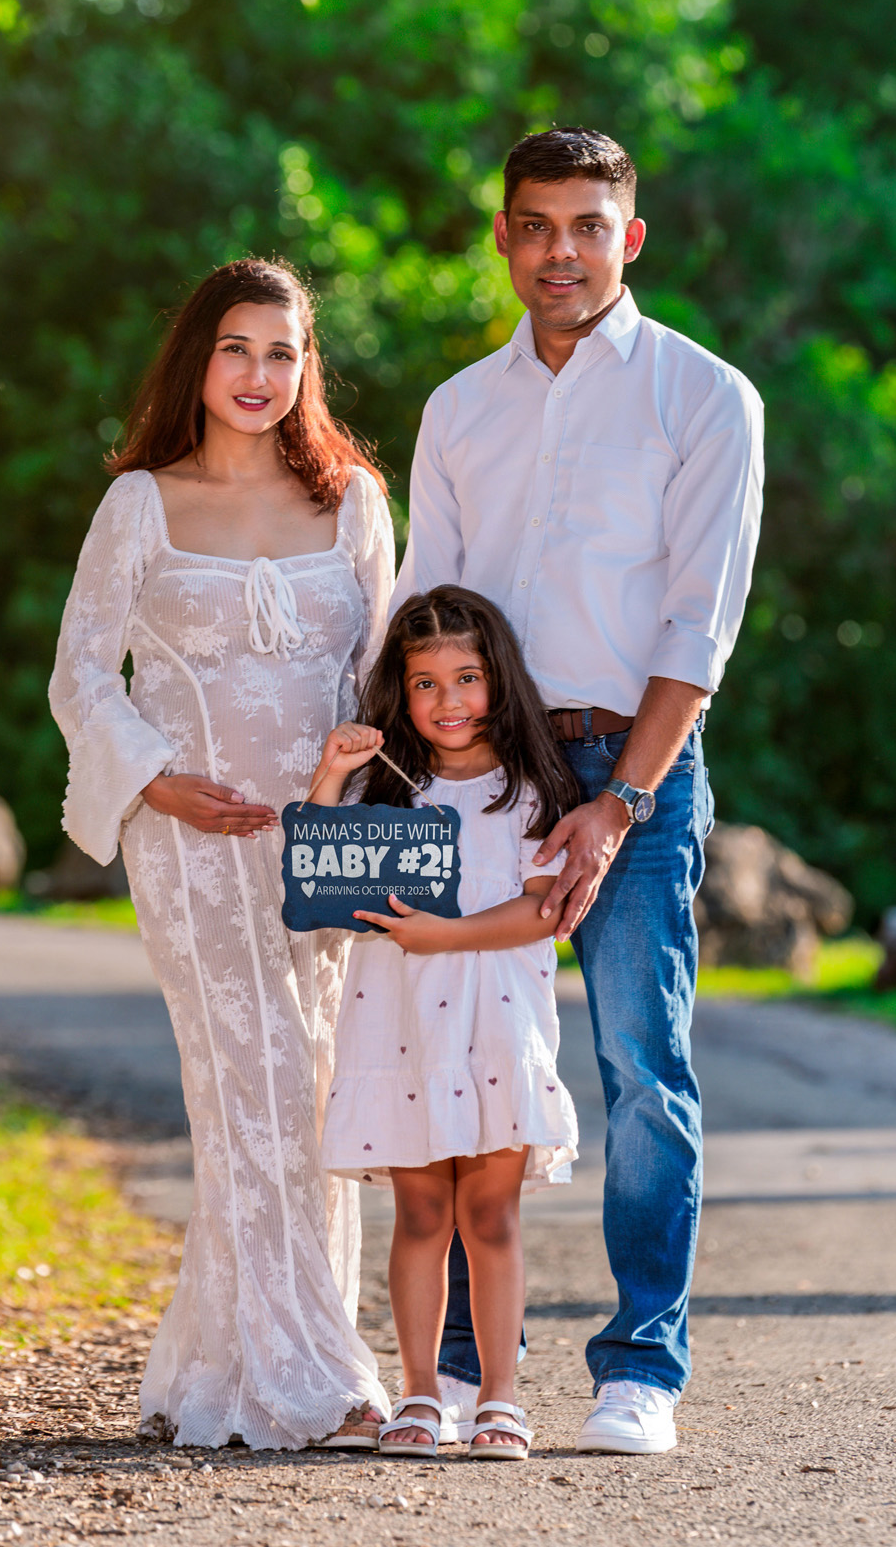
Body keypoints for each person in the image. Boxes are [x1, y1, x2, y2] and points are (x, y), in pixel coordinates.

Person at [394, 127, 764, 1453]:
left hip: (634, 763)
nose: (562, 249)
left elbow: (695, 629)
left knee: (636, 1064)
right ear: (502, 236)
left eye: (587, 225)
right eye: (536, 224)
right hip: (472, 770)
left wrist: (618, 805)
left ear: (630, 238)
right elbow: (417, 611)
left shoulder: (702, 395)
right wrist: (389, 781)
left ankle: (639, 1372)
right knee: (455, 1058)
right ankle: (446, 1373)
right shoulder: (457, 410)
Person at [48, 257, 394, 1450]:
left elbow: (381, 681)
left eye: (283, 352)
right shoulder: (140, 501)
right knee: (244, 1085)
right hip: (189, 844)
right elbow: (82, 672)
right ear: (196, 359)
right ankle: (319, 1379)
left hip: (324, 845)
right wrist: (154, 780)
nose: (259, 375)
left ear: (308, 368)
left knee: (319, 1092)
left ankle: (230, 1361)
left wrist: (356, 782)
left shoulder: (351, 500)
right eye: (236, 349)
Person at [309, 586, 581, 1461]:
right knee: (421, 1215)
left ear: (498, 678)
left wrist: (447, 935)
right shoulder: (385, 789)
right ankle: (420, 1394)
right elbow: (316, 884)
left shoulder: (532, 787)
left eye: (466, 677)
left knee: (491, 1214)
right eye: (424, 684)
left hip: (498, 1021)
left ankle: (500, 1397)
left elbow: (542, 912)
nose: (448, 700)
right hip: (398, 1029)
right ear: (401, 690)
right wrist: (326, 774)